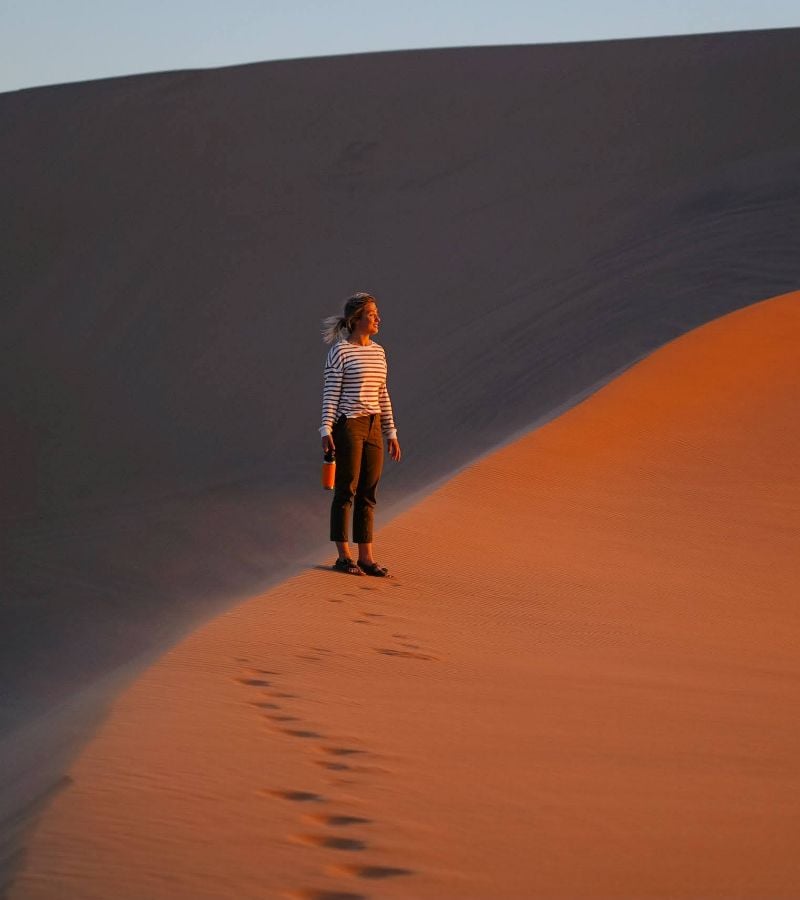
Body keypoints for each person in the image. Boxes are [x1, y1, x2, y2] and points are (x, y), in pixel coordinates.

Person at [320, 292, 402, 576]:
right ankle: (344, 556)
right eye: (371, 314)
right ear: (357, 320)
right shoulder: (340, 352)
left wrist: (390, 432)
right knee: (347, 489)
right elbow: (331, 393)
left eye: (376, 313)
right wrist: (326, 428)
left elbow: (383, 393)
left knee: (369, 491)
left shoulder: (379, 352)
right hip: (348, 425)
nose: (378, 318)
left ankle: (366, 556)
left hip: (373, 426)